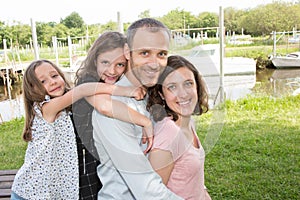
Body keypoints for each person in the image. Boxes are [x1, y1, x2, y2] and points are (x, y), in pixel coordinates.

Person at [10, 59, 145, 200]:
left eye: (54, 76)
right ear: (33, 90)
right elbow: (82, 90)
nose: (52, 82)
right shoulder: (46, 109)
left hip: (47, 192)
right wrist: (126, 91)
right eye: (42, 82)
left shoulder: (65, 110)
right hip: (29, 192)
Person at [92, 18, 183, 199]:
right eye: (144, 53)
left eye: (162, 54)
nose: (154, 63)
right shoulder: (113, 110)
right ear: (127, 52)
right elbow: (146, 189)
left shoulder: (153, 94)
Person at [72, 31, 153, 199]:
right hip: (84, 159)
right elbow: (104, 106)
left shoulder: (115, 81)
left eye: (120, 65)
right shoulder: (87, 80)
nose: (112, 70)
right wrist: (145, 122)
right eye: (105, 62)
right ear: (95, 60)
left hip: (102, 156)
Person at [147, 55, 211, 200]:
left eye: (188, 83)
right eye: (172, 87)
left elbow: (196, 184)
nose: (183, 94)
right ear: (161, 94)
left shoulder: (187, 122)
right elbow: (153, 195)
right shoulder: (168, 135)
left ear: (197, 85)